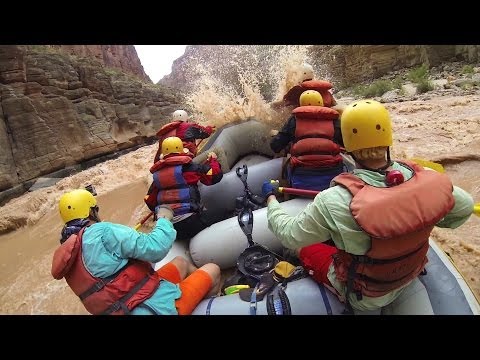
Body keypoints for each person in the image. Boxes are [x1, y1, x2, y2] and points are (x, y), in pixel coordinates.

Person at [262, 99, 475, 314]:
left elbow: (289, 235)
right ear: (387, 138)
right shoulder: (426, 180)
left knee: (306, 248)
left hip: (364, 296)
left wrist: (271, 199)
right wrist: (428, 214)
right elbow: (464, 206)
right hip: (410, 272)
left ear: (348, 143)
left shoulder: (333, 200)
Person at [51, 187, 221, 315]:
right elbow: (156, 248)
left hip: (132, 303)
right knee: (213, 269)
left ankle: (193, 296)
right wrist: (164, 220)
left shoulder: (69, 251)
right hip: (153, 307)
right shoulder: (102, 231)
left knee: (181, 263)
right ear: (91, 212)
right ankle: (209, 308)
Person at [144, 136, 224, 240]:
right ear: (181, 150)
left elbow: (149, 200)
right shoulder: (190, 167)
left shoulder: (157, 177)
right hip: (190, 223)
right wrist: (213, 160)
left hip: (169, 228)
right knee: (225, 212)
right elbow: (214, 176)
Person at [270, 89, 344, 191]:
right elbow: (346, 144)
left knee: (286, 160)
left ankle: (287, 195)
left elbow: (275, 146)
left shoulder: (294, 120)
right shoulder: (334, 120)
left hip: (301, 181)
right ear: (322, 104)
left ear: (300, 105)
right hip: (333, 179)